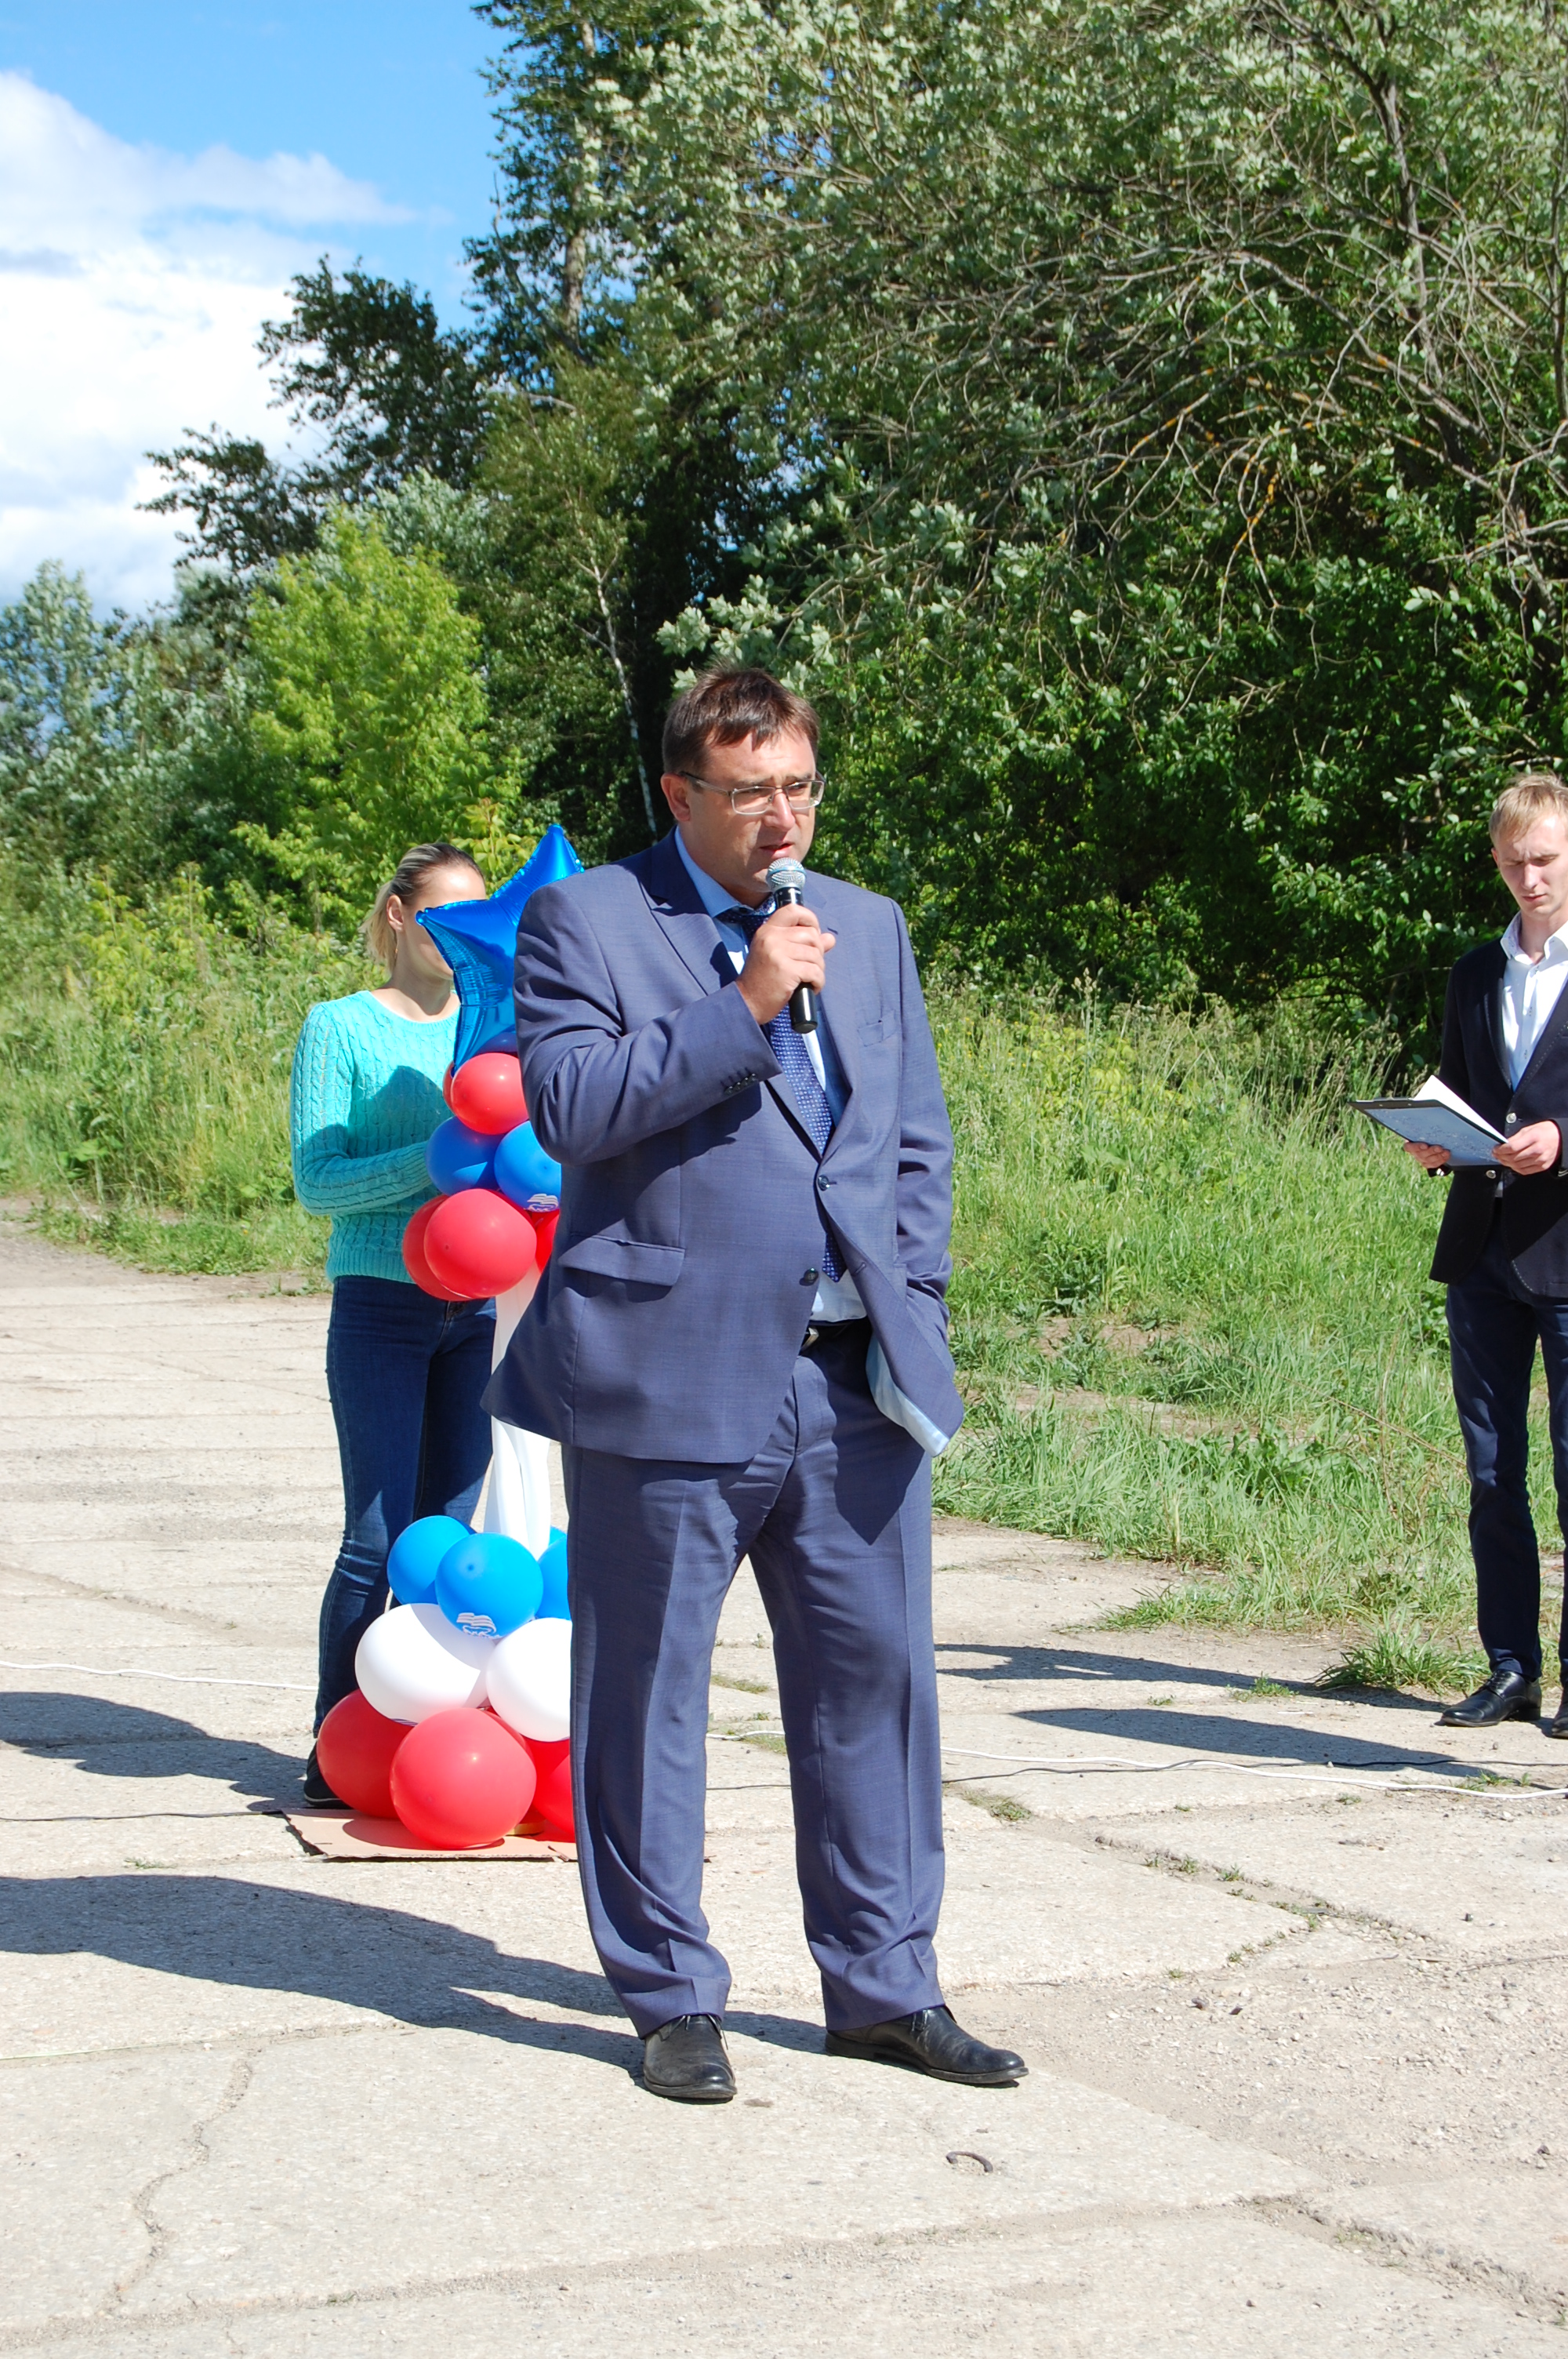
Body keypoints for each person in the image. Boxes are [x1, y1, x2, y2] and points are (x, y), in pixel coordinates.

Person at [487, 666, 1027, 2103]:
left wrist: (914, 1296)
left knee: (875, 1692)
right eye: (750, 791)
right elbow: (576, 1106)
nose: (782, 816)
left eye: (800, 784)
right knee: (648, 1695)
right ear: (681, 796)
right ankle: (669, 1990)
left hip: (853, 1384)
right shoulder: (587, 919)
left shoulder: (873, 925)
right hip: (666, 1377)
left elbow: (912, 1134)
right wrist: (742, 998)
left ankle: (885, 1983)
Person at [290, 841, 495, 1803]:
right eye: (445, 916)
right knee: (374, 1539)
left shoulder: (494, 1026)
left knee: (447, 1539)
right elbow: (316, 1182)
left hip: (479, 1310)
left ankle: (427, 1741)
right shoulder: (339, 1028)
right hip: (379, 1304)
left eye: (477, 918)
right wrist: (438, 1158)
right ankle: (336, 1741)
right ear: (402, 915)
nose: (461, 937)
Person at [1407, 770, 1568, 1737]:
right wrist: (1438, 1141)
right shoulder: (1475, 971)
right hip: (1482, 1254)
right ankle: (1510, 1666)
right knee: (1489, 1469)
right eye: (1512, 862)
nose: (1528, 877)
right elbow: (1460, 1087)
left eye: (1543, 858)